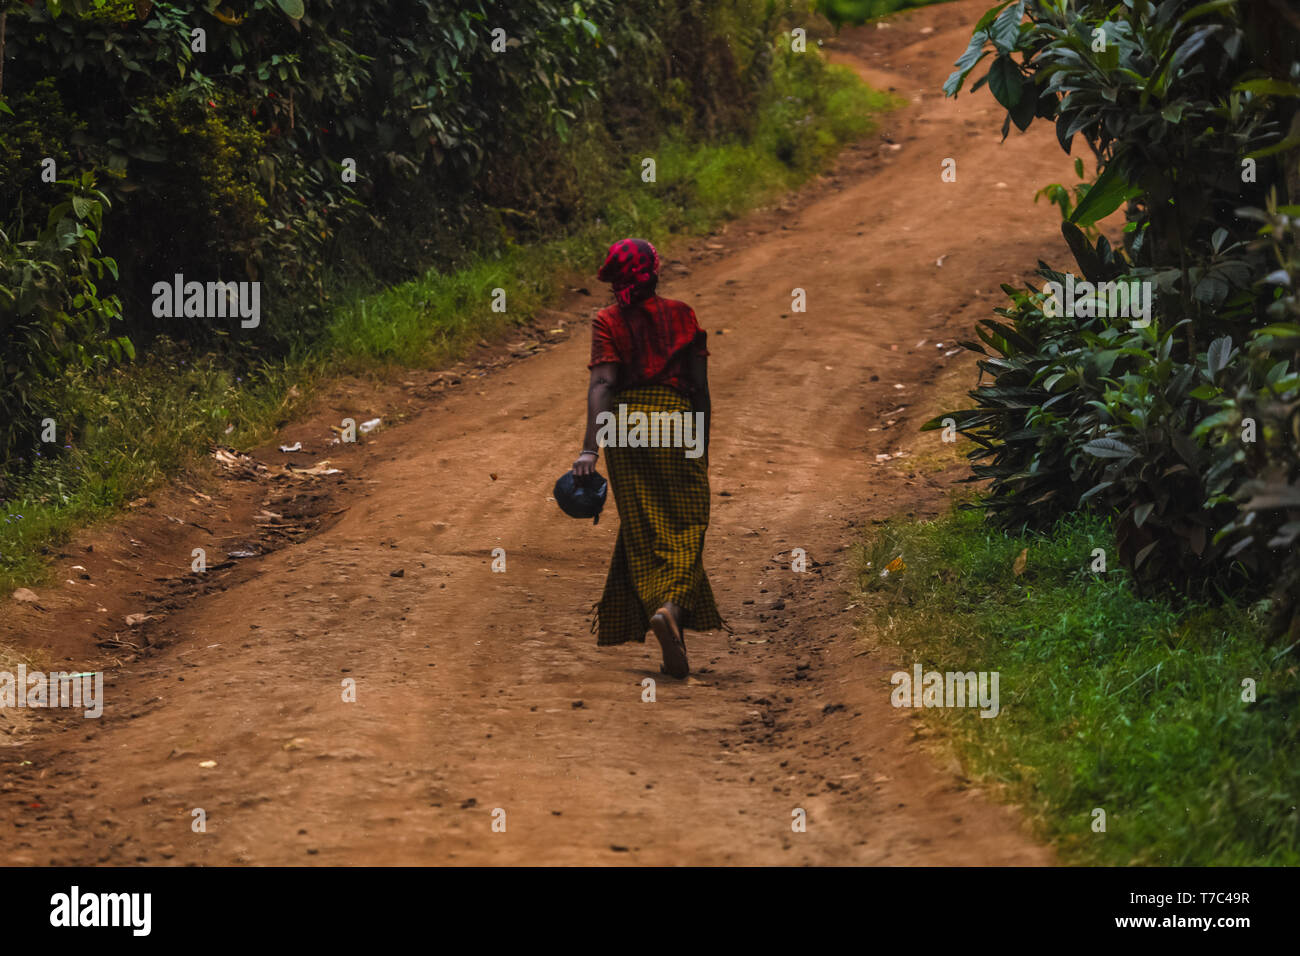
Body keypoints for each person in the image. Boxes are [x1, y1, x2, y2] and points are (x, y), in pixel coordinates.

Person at [572, 237, 724, 678]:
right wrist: (702, 442)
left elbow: (602, 384)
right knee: (688, 521)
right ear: (655, 274)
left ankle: (664, 611)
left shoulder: (607, 321)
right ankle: (669, 608)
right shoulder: (683, 315)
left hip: (625, 431)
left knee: (643, 524)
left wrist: (589, 449)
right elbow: (700, 388)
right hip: (676, 422)